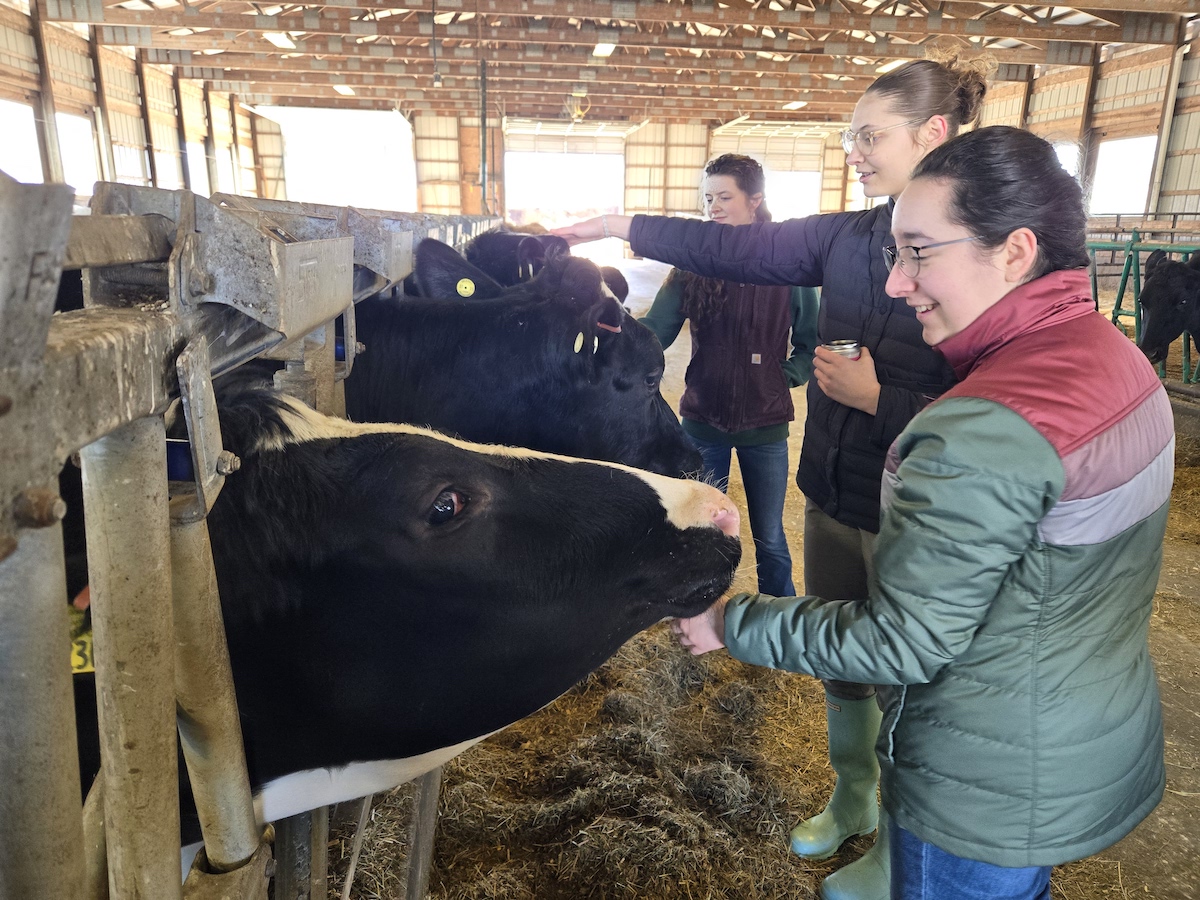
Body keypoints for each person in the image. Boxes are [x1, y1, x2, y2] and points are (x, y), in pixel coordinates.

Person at [670, 125, 1171, 900]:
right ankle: (854, 806)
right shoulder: (1117, 359)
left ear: (1014, 250)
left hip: (980, 777)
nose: (898, 285)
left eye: (919, 252)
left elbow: (905, 643)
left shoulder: (981, 426)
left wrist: (730, 623)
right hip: (1073, 731)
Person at [555, 55, 989, 900]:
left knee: (914, 682)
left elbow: (1000, 404)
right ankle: (853, 795)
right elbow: (736, 247)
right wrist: (621, 223)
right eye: (850, 137)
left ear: (933, 133)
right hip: (831, 487)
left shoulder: (979, 244)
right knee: (846, 669)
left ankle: (901, 840)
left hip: (922, 507)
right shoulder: (852, 236)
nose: (856, 151)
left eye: (870, 136)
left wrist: (882, 398)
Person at [640, 153, 819, 597]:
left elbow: (812, 341)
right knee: (702, 531)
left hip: (766, 423)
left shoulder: (788, 268)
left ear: (754, 200)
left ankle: (780, 621)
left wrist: (785, 376)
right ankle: (700, 613)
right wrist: (612, 335)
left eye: (724, 197)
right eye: (708, 198)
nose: (713, 207)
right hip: (703, 422)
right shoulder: (693, 265)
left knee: (770, 536)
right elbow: (655, 332)